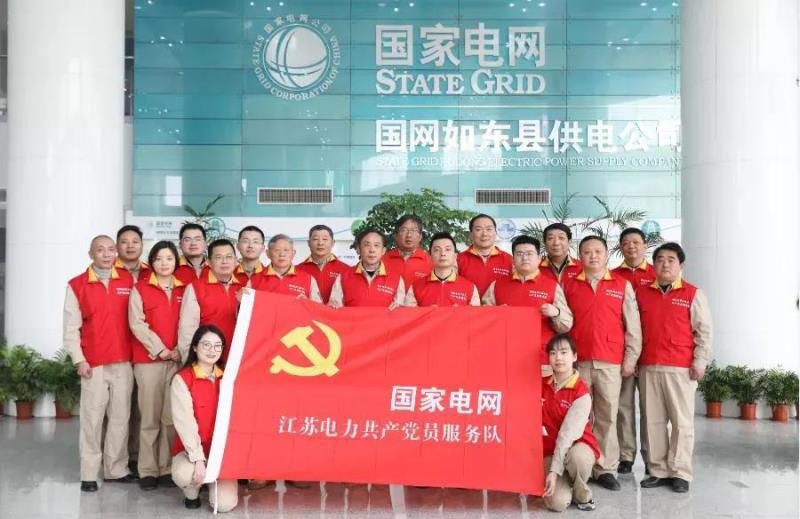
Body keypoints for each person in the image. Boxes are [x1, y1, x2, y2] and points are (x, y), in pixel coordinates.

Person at [562, 236, 641, 491]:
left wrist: (630, 359)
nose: (593, 256)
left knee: (607, 416)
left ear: (607, 255)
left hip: (610, 362)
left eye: (598, 251)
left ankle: (605, 468)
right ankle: (579, 466)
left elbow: (633, 327)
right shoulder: (569, 284)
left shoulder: (621, 285)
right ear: (580, 256)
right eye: (587, 252)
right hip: (579, 362)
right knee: (579, 415)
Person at [637, 242, 712, 493]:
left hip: (681, 368)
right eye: (659, 259)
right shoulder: (642, 293)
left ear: (681, 265)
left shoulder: (693, 293)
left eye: (671, 260)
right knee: (653, 422)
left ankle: (680, 472)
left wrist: (700, 361)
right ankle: (658, 470)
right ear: (653, 265)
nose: (665, 264)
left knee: (682, 423)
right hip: (649, 366)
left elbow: (704, 332)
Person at [63, 235, 136, 492]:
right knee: (92, 420)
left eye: (110, 249)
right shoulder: (77, 285)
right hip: (93, 364)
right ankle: (89, 474)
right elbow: (71, 329)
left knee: (120, 419)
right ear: (90, 254)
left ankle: (116, 469)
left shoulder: (128, 280)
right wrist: (79, 359)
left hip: (124, 361)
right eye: (100, 250)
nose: (106, 254)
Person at [128, 240, 185, 490]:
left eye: (169, 258)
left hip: (178, 360)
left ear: (176, 262)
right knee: (149, 418)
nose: (164, 263)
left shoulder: (185, 289)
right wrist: (161, 349)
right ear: (151, 262)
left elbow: (190, 322)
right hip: (149, 361)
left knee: (169, 418)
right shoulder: (140, 288)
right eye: (159, 258)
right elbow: (137, 324)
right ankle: (148, 470)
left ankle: (166, 468)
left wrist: (180, 350)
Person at [171, 325, 238, 512]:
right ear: (195, 347)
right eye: (206, 345)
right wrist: (198, 459)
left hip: (221, 453)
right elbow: (185, 424)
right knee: (186, 474)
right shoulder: (182, 379)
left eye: (217, 346)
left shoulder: (229, 378)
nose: (212, 350)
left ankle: (212, 483)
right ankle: (192, 492)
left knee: (224, 505)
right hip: (191, 452)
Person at [482, 235, 572, 373]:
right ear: (513, 259)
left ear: (539, 258)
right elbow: (482, 319)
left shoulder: (552, 286)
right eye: (519, 254)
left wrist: (556, 313)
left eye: (529, 253)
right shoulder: (497, 285)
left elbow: (566, 325)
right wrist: (496, 314)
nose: (524, 258)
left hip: (541, 358)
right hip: (504, 356)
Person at [610, 227, 656, 475]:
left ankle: (652, 457)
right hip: (623, 353)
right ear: (620, 247)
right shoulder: (613, 276)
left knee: (651, 410)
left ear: (644, 245)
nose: (631, 247)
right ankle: (626, 455)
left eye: (636, 242)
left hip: (652, 353)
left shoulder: (657, 273)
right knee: (623, 407)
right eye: (626, 243)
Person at [541, 334, 600, 512]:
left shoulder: (581, 392)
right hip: (549, 452)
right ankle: (566, 483)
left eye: (563, 352)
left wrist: (554, 471)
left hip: (575, 447)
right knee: (557, 503)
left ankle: (582, 495)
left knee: (578, 458)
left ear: (574, 356)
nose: (558, 358)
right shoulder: (541, 385)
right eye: (553, 353)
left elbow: (566, 436)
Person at [177, 239, 242, 361]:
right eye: (218, 257)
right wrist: (191, 361)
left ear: (235, 260)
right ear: (209, 262)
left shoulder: (244, 288)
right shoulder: (195, 288)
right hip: (207, 358)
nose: (224, 261)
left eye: (229, 257)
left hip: (238, 358)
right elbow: (187, 331)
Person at [328, 228, 405, 308]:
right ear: (358, 249)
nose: (372, 250)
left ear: (383, 251)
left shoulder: (396, 279)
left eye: (376, 245)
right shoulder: (343, 277)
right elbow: (334, 310)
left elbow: (401, 311)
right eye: (366, 245)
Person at [404, 232, 479, 307]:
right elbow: (409, 314)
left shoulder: (470, 287)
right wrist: (427, 311)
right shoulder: (416, 287)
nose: (443, 253)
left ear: (455, 255)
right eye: (437, 250)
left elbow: (476, 314)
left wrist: (459, 312)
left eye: (447, 249)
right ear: (430, 256)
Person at [250, 234, 322, 302]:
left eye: (286, 250)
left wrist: (308, 303)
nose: (282, 254)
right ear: (268, 253)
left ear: (293, 253)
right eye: (277, 250)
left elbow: (318, 308)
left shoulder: (308, 279)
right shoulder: (254, 280)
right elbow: (247, 307)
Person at [456, 214, 512, 297]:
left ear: (495, 233)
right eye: (478, 229)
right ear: (471, 234)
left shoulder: (510, 260)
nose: (484, 234)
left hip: (500, 305)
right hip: (468, 305)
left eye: (489, 229)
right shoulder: (458, 260)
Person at [295, 224, 350, 304]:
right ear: (308, 243)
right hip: (307, 311)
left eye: (325, 239)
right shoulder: (297, 270)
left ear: (333, 243)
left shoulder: (346, 270)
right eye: (315, 239)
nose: (320, 243)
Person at [383, 214, 433, 287]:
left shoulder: (431, 262)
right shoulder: (383, 260)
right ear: (396, 235)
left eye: (414, 230)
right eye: (404, 230)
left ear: (420, 236)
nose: (409, 235)